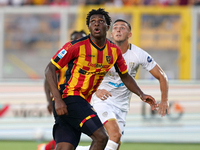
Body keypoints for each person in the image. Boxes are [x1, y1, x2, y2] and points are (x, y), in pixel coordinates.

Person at [45, 8, 157, 150]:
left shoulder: (113, 51)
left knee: (64, 147)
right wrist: (57, 100)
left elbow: (125, 76)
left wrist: (141, 94)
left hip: (80, 102)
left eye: (100, 21)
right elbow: (49, 69)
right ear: (89, 27)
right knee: (101, 137)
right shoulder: (75, 46)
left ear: (107, 27)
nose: (96, 24)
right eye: (93, 22)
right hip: (69, 97)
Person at [76, 19, 169, 150]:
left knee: (113, 144)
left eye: (123, 28)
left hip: (122, 106)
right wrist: (95, 91)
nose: (118, 30)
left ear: (129, 34)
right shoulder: (100, 51)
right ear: (111, 34)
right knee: (115, 134)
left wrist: (164, 100)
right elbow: (82, 74)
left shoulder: (138, 54)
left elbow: (162, 76)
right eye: (115, 28)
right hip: (102, 100)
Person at [37, 30, 87, 150]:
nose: (78, 42)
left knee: (69, 128)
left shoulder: (89, 57)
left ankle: (47, 147)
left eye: (82, 39)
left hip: (84, 97)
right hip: (63, 97)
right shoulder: (64, 56)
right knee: (68, 127)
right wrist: (50, 100)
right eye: (75, 39)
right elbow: (48, 76)